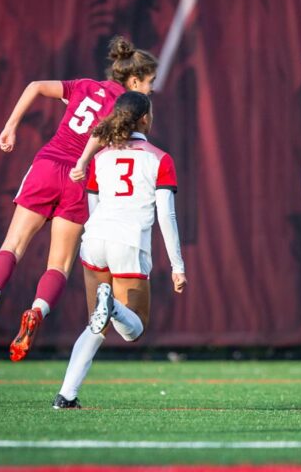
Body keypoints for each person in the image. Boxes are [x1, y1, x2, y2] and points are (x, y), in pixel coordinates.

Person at [0, 36, 158, 362]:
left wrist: (10, 127)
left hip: (47, 165)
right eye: (149, 83)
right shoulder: (130, 107)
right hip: (79, 178)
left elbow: (36, 85)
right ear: (134, 80)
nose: (150, 90)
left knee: (12, 245)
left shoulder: (83, 85)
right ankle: (36, 311)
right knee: (58, 265)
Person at [52, 91, 187, 409]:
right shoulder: (159, 158)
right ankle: (111, 304)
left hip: (95, 239)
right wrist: (177, 266)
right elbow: (166, 217)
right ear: (143, 119)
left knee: (94, 326)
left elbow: (93, 207)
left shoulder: (99, 157)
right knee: (134, 329)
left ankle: (66, 396)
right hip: (128, 242)